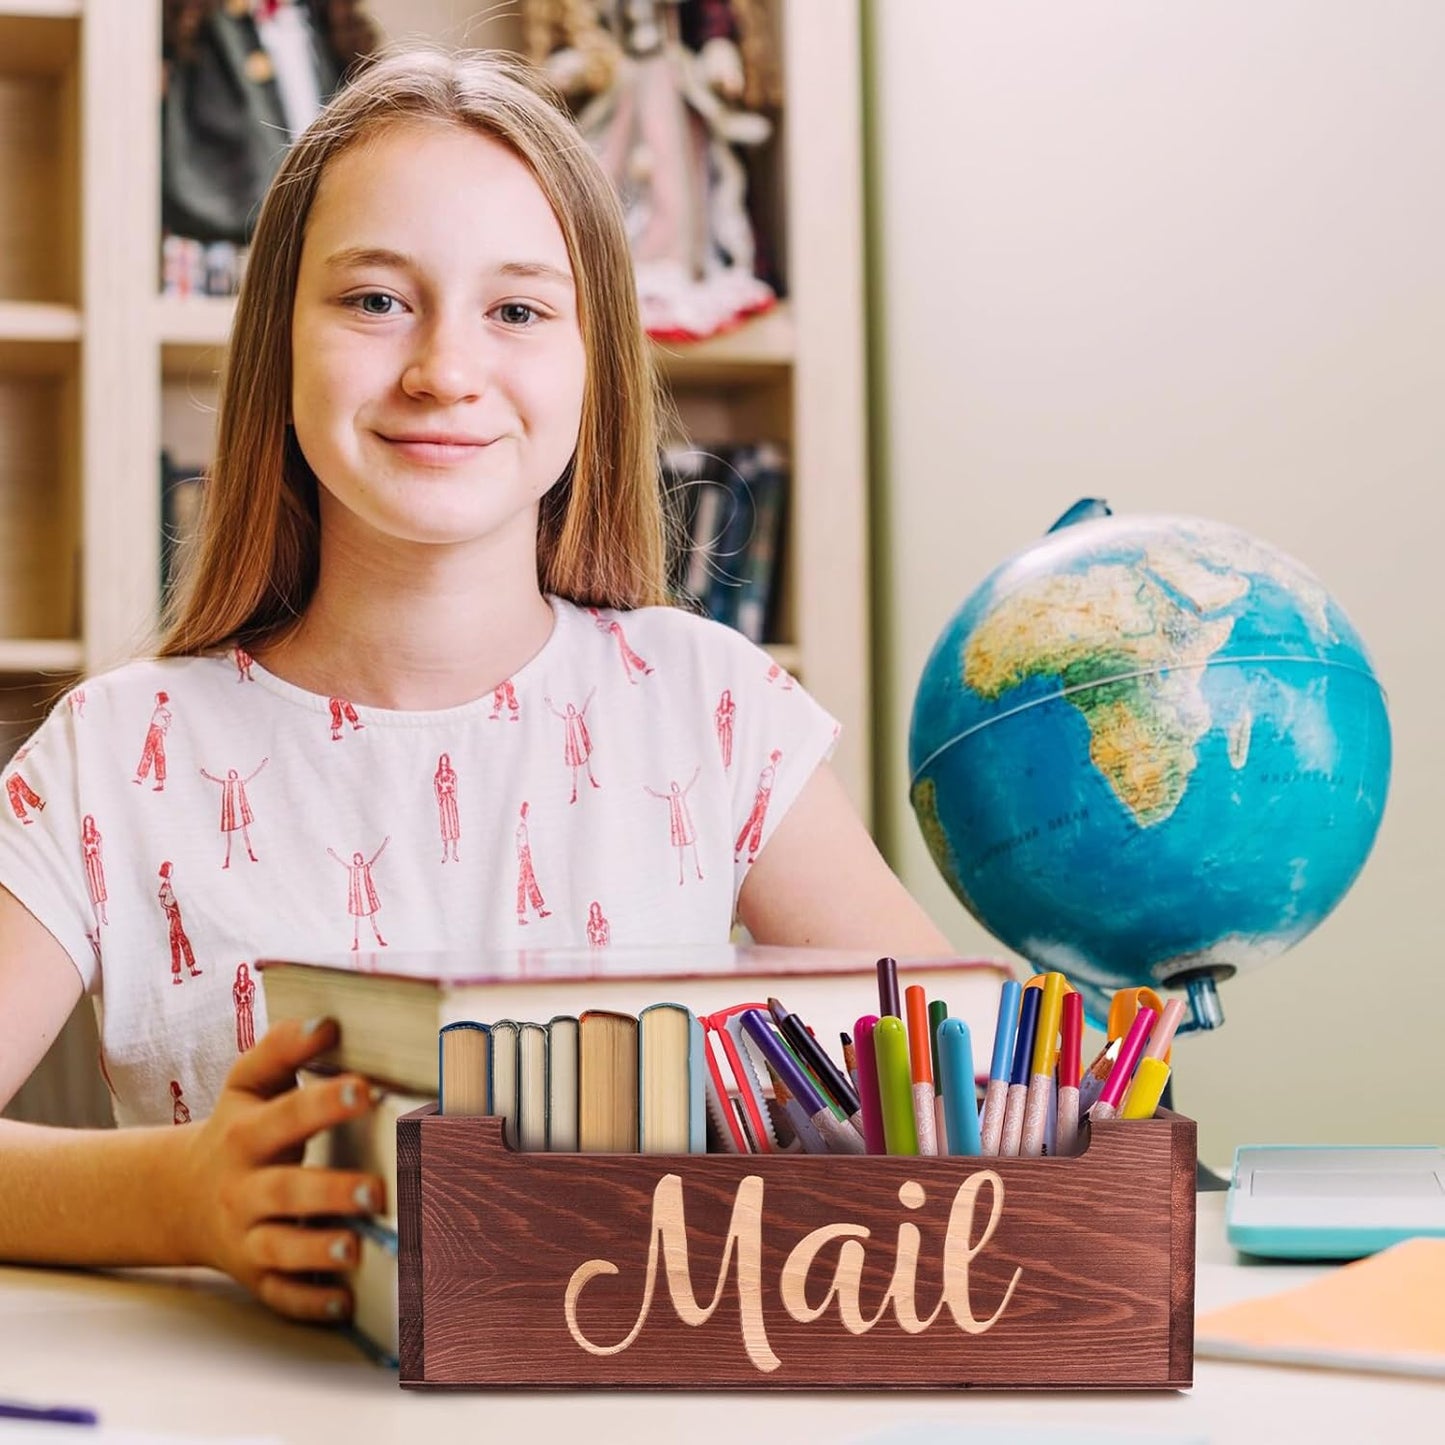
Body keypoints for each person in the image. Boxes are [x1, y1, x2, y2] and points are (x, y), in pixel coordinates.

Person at [0, 47, 950, 1330]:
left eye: (516, 311)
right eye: (377, 299)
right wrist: (177, 1195)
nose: (444, 368)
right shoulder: (117, 753)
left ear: (590, 362)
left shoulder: (709, 708)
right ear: (277, 342)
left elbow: (962, 1094)